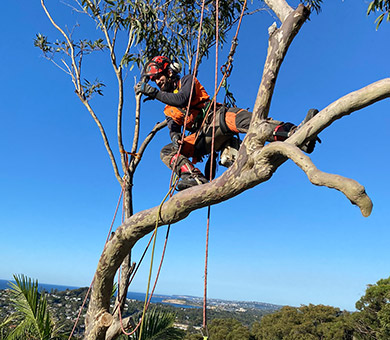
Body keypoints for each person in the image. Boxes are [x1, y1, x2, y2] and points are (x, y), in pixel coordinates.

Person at [135, 56, 319, 190]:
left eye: (158, 76)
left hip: (216, 118)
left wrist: (153, 93)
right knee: (167, 151)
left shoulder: (187, 80)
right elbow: (173, 127)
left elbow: (183, 98)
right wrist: (175, 137)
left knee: (253, 122)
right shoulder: (168, 109)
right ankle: (192, 176)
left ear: (169, 71)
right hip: (202, 137)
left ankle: (298, 134)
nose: (157, 82)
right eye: (153, 80)